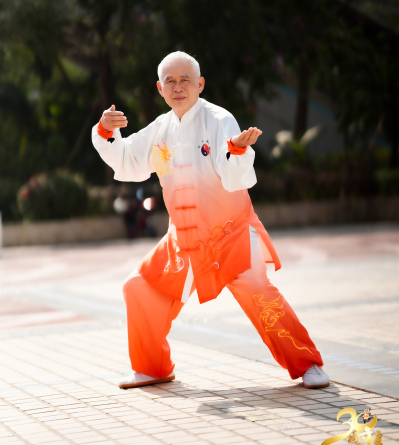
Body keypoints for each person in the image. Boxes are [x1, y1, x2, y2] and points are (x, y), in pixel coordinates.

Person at [92, 51, 330, 390]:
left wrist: (236, 151)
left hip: (230, 233)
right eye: (170, 81)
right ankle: (152, 367)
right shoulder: (160, 129)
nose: (178, 87)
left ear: (200, 84)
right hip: (183, 240)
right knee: (139, 288)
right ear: (160, 88)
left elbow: (232, 173)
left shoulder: (219, 120)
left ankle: (308, 363)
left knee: (259, 292)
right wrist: (104, 130)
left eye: (185, 79)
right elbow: (129, 159)